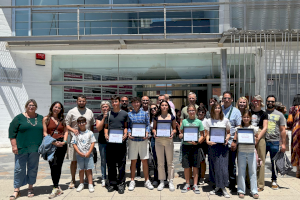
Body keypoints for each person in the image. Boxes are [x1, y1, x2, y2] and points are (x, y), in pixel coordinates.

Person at [9, 99, 44, 199]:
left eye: (33, 105)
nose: (31, 107)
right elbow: (12, 132)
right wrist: (14, 146)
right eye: (29, 105)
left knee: (33, 168)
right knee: (19, 168)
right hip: (21, 147)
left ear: (36, 107)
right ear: (26, 106)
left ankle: (30, 187)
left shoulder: (40, 118)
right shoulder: (19, 118)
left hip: (35, 148)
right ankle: (17, 189)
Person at [65, 95, 95, 189]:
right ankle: (73, 179)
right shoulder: (72, 111)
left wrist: (91, 137)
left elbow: (92, 125)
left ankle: (87, 179)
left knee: (87, 160)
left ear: (86, 102)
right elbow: (66, 125)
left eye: (83, 101)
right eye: (80, 101)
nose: (81, 102)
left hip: (87, 142)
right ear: (77, 101)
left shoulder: (89, 112)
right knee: (74, 161)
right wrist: (73, 130)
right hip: (75, 142)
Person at [43, 101, 69, 199]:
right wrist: (53, 142)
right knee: (53, 165)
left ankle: (56, 186)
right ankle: (55, 186)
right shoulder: (46, 118)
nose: (57, 109)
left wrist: (64, 141)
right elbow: (45, 133)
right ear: (52, 107)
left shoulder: (63, 119)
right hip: (51, 144)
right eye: (55, 107)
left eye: (59, 108)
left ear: (61, 110)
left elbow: (66, 131)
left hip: (62, 144)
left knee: (59, 165)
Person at [127, 97, 154, 191]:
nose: (136, 104)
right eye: (134, 102)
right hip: (133, 141)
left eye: (138, 102)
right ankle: (132, 180)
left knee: (144, 160)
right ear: (132, 104)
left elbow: (147, 125)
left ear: (140, 103)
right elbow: (128, 126)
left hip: (143, 140)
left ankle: (147, 180)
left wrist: (147, 132)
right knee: (133, 161)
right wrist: (129, 133)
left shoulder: (145, 113)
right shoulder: (129, 114)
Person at [104, 95, 128, 194]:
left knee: (121, 163)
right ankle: (112, 183)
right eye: (113, 102)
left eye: (116, 101)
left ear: (119, 102)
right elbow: (106, 127)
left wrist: (125, 134)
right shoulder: (108, 114)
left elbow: (126, 126)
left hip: (121, 142)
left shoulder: (125, 114)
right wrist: (106, 134)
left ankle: (121, 183)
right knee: (111, 163)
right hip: (110, 143)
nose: (114, 103)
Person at [206, 102, 231, 198]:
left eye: (218, 108)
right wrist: (208, 141)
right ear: (212, 109)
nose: (217, 109)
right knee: (214, 167)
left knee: (223, 167)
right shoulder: (209, 121)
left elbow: (228, 133)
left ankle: (223, 187)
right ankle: (217, 186)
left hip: (223, 146)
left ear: (221, 109)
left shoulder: (225, 120)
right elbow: (207, 133)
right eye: (215, 108)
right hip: (213, 146)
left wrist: (227, 138)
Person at [179, 104, 204, 194]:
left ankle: (195, 185)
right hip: (186, 146)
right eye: (190, 110)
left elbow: (202, 135)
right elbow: (181, 133)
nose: (191, 112)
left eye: (193, 110)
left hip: (195, 146)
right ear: (187, 112)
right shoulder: (184, 121)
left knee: (195, 166)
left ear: (195, 111)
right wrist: (181, 135)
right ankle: (187, 183)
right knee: (186, 166)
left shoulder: (199, 122)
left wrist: (197, 142)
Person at [234, 110, 259, 199]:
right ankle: (241, 190)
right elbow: (235, 138)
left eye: (248, 117)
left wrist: (255, 140)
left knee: (252, 172)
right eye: (244, 117)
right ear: (242, 118)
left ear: (250, 118)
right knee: (241, 171)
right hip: (241, 151)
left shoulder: (254, 128)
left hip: (251, 152)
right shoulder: (238, 128)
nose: (246, 118)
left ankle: (254, 191)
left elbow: (257, 138)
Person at [153, 100, 177, 191]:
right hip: (158, 140)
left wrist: (172, 133)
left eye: (165, 105)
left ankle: (170, 181)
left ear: (168, 107)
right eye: (162, 105)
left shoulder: (172, 117)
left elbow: (175, 129)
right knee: (160, 162)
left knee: (170, 162)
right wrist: (154, 133)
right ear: (160, 107)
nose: (164, 106)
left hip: (168, 140)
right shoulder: (156, 117)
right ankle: (162, 181)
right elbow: (154, 129)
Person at [265, 95, 286, 189]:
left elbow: (283, 130)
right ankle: (259, 180)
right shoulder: (263, 113)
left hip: (275, 142)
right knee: (259, 162)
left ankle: (274, 180)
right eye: (268, 101)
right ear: (266, 102)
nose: (270, 103)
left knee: (274, 163)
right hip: (263, 141)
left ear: (275, 102)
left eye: (272, 101)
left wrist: (283, 144)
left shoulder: (279, 114)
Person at [222, 91, 242, 192]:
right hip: (219, 141)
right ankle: (222, 182)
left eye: (228, 98)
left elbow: (238, 127)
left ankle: (232, 184)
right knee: (221, 163)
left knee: (231, 163)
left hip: (231, 142)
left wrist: (234, 141)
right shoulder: (218, 109)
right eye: (225, 98)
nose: (226, 100)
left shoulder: (236, 111)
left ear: (232, 100)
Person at [71, 117, 96, 193]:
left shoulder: (90, 133)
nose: (81, 124)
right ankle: (81, 183)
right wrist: (78, 152)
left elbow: (93, 143)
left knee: (89, 169)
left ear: (86, 123)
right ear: (77, 124)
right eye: (79, 122)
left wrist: (89, 152)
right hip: (80, 155)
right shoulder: (76, 133)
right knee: (81, 169)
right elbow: (74, 143)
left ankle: (90, 184)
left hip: (89, 155)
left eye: (83, 122)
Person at [250, 95, 268, 192]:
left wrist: (258, 137)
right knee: (249, 159)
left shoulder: (264, 113)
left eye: (258, 101)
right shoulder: (249, 112)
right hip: (249, 133)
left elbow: (265, 127)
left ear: (261, 102)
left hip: (260, 133)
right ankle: (249, 182)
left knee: (261, 160)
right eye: (254, 100)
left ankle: (260, 184)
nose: (256, 102)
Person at [95, 101, 111, 187]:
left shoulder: (113, 115)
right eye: (103, 107)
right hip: (102, 141)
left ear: (109, 107)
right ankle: (104, 178)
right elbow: (98, 128)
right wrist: (104, 118)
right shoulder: (99, 117)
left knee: (111, 160)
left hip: (112, 141)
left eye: (106, 106)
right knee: (103, 160)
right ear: (101, 109)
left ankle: (111, 177)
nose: (105, 108)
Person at [287, 94, 300, 178]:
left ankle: (298, 172)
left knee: (296, 149)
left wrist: (289, 127)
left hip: (296, 131)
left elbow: (289, 121)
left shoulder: (292, 108)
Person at [197, 106, 208, 185]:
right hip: (194, 142)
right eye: (199, 112)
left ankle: (202, 177)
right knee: (196, 160)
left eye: (202, 112)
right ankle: (196, 176)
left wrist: (200, 141)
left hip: (203, 143)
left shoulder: (206, 121)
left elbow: (206, 134)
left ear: (205, 113)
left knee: (202, 161)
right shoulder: (195, 120)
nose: (200, 113)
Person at [149, 103, 159, 186]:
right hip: (153, 139)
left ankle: (164, 178)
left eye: (155, 108)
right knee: (155, 159)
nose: (153, 110)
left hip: (162, 139)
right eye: (151, 109)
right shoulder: (149, 118)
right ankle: (156, 178)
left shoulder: (161, 117)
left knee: (163, 159)